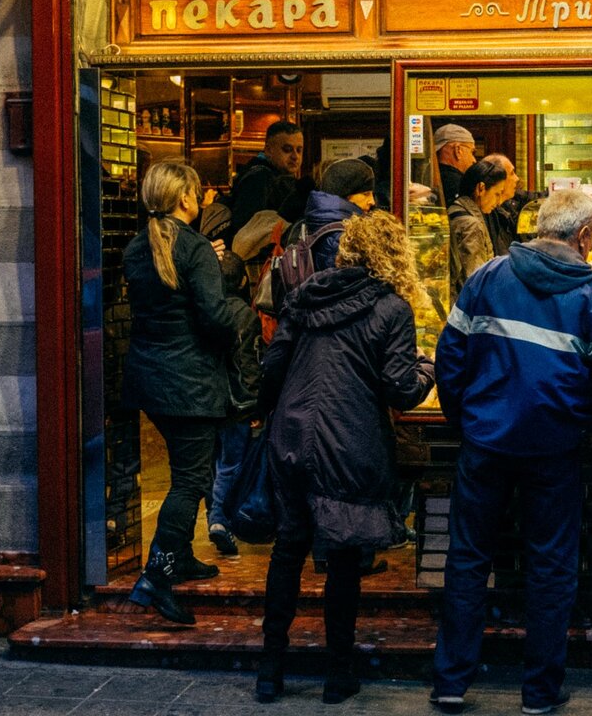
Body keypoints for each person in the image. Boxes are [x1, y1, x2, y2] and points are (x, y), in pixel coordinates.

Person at [430, 190, 592, 716]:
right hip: (555, 453)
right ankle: (539, 693)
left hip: (484, 446)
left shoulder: (486, 278)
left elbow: (449, 355)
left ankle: (451, 683)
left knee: (466, 560)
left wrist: (466, 421)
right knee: (551, 568)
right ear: (585, 237)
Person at [255, 210, 436, 706]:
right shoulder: (392, 309)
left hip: (291, 436)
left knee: (288, 549)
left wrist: (263, 415)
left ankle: (269, 671)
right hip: (348, 441)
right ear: (396, 256)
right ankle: (338, 674)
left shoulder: (305, 296)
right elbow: (401, 390)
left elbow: (272, 368)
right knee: (343, 560)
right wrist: (427, 367)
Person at [121, 161, 239, 625]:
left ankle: (182, 555)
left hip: (149, 378)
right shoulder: (194, 249)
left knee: (184, 470)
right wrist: (225, 284)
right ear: (186, 198)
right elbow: (216, 318)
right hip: (189, 382)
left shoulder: (136, 247)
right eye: (197, 193)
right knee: (191, 481)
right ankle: (159, 576)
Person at [205, 251, 262, 557]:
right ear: (243, 281)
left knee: (213, 465)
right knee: (231, 464)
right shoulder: (245, 315)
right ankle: (218, 519)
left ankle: (214, 516)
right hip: (236, 403)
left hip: (207, 401)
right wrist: (254, 405)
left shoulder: (206, 310)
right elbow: (248, 365)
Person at [225, 121, 304, 243]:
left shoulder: (262, 175)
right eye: (287, 149)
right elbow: (246, 231)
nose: (295, 156)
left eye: (299, 150)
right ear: (268, 150)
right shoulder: (258, 179)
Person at [447, 155, 510, 299]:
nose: (499, 202)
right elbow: (476, 279)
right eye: (497, 194)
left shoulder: (455, 208)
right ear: (481, 188)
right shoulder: (470, 225)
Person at [433, 123, 477, 207]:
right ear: (458, 150)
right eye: (472, 152)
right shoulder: (461, 184)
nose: (474, 160)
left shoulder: (431, 178)